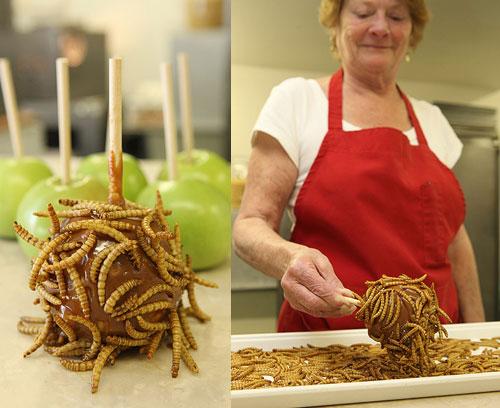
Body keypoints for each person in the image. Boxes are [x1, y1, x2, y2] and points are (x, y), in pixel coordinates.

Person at [232, 0, 486, 332]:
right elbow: (250, 224)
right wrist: (289, 259)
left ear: (411, 32)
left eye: (396, 16)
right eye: (363, 12)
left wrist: (481, 334)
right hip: (326, 343)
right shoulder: (297, 101)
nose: (380, 27)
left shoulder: (433, 120)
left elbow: (455, 242)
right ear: (335, 25)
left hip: (434, 341)